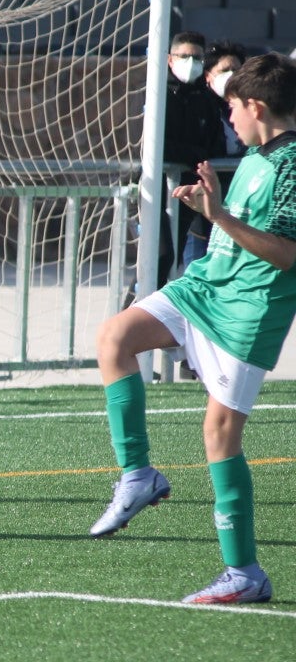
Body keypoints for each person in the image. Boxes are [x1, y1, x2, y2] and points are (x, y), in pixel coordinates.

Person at [90, 52, 296, 604]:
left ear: (256, 105)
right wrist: (214, 204)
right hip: (205, 287)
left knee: (220, 436)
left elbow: (287, 254)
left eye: (231, 106)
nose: (228, 117)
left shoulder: (294, 164)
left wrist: (220, 217)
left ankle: (244, 573)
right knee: (115, 337)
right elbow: (247, 223)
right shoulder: (257, 156)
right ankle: (138, 475)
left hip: (249, 310)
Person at [157, 31, 227, 288]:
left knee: (182, 264)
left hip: (189, 191)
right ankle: (131, 319)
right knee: (159, 260)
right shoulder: (157, 95)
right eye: (184, 56)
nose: (190, 62)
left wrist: (195, 156)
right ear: (169, 59)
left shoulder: (206, 100)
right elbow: (156, 146)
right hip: (156, 192)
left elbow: (215, 146)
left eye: (197, 57)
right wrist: (193, 154)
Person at [181, 40, 248, 268]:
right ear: (208, 76)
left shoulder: (251, 109)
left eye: (236, 70)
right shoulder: (200, 107)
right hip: (204, 212)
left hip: (239, 209)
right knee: (196, 275)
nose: (231, 76)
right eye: (224, 70)